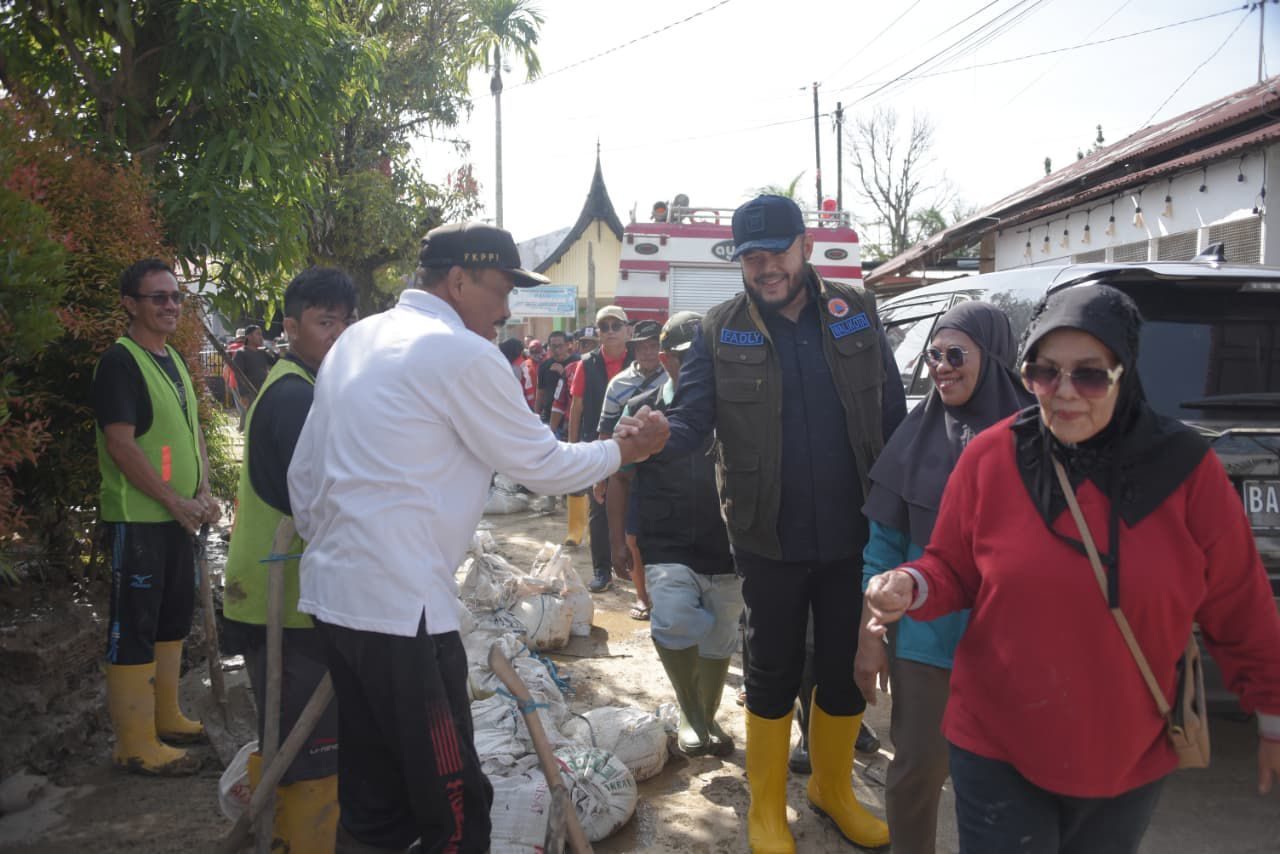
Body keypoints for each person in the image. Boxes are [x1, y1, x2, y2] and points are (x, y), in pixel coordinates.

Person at [288, 222, 670, 852]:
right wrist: (624, 451)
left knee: (373, 799)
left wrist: (346, 552)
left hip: (334, 599)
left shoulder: (358, 338)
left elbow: (304, 476)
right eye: (501, 288)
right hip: (401, 612)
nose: (507, 308)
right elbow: (541, 465)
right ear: (459, 280)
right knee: (456, 807)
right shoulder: (460, 353)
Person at [865, 285, 1280, 854]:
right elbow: (953, 566)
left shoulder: (1185, 471)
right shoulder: (992, 456)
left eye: (1089, 375)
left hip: (1127, 753)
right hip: (997, 744)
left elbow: (1239, 603)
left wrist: (1272, 712)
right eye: (1044, 373)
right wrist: (912, 584)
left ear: (1124, 373)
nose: (1063, 392)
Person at [663, 194, 906, 852]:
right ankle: (766, 809)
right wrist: (655, 435)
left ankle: (832, 788)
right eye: (752, 258)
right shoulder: (718, 330)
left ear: (805, 247)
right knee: (770, 670)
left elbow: (893, 416)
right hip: (767, 535)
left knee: (843, 667)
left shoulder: (856, 312)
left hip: (855, 533)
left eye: (776, 253)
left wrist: (907, 510)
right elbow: (691, 421)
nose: (766, 268)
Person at [854, 301, 1033, 854]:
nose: (940, 367)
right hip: (926, 646)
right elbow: (882, 550)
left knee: (1011, 785)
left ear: (995, 357)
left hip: (1014, 649)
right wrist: (869, 637)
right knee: (917, 772)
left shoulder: (1041, 437)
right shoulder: (915, 435)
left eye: (956, 355)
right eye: (933, 355)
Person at [222, 267, 357, 851]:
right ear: (291, 326)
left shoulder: (298, 384)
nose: (338, 334)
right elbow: (321, 503)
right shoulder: (296, 396)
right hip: (283, 599)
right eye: (325, 322)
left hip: (282, 592)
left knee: (294, 734)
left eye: (345, 322)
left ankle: (284, 835)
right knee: (309, 746)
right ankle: (305, 840)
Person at [92, 258, 220, 776]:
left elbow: (191, 433)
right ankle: (135, 742)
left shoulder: (172, 359)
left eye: (176, 297)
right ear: (130, 304)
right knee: (136, 625)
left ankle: (166, 717)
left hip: (178, 519)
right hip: (140, 520)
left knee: (171, 618)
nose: (171, 306)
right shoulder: (120, 363)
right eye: (158, 297)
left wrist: (204, 491)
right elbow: (121, 446)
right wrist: (173, 499)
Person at [606, 311, 744, 755]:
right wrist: (618, 540)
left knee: (721, 632)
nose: (703, 370)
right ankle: (689, 709)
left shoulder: (738, 409)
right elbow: (620, 477)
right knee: (673, 618)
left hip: (726, 543)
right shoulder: (643, 410)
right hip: (666, 540)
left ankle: (707, 715)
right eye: (690, 361)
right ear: (665, 361)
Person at [594, 318, 667, 614]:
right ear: (634, 350)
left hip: (665, 466)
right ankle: (642, 596)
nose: (649, 352)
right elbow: (605, 430)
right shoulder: (619, 384)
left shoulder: (676, 376)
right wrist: (601, 475)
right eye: (643, 347)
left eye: (654, 346)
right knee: (631, 537)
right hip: (629, 467)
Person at [569, 305, 633, 592]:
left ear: (627, 330)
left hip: (633, 445)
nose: (610, 332)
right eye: (604, 327)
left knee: (634, 505)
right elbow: (577, 407)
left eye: (615, 326)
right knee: (599, 507)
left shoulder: (639, 359)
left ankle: (636, 569)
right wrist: (572, 449)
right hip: (597, 444)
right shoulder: (587, 364)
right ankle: (602, 571)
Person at [554, 327, 595, 547]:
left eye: (592, 343)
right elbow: (561, 402)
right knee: (577, 481)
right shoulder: (571, 369)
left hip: (602, 430)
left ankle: (596, 532)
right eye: (584, 343)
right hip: (577, 429)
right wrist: (569, 438)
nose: (588, 347)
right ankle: (575, 532)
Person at [535, 330, 576, 422]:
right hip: (548, 416)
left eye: (560, 346)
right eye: (553, 346)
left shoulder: (577, 362)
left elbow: (578, 392)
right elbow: (540, 393)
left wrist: (564, 374)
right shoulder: (544, 366)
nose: (557, 350)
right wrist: (535, 416)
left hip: (569, 417)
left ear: (567, 345)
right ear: (549, 347)